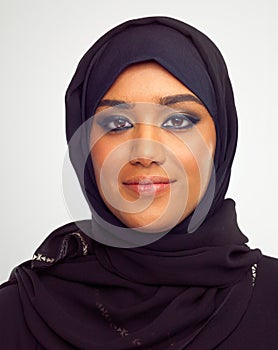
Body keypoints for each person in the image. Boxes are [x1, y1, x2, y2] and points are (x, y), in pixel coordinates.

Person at [0, 16, 277, 350]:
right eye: (117, 123)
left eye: (177, 120)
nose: (145, 153)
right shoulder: (13, 314)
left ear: (222, 139)